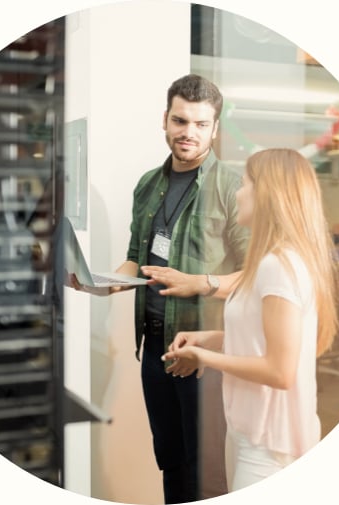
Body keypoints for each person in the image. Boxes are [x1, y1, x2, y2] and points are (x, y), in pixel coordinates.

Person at [69, 74, 248, 503]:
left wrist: (201, 284)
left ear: (215, 129)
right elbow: (137, 257)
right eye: (181, 120)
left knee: (205, 470)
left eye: (201, 124)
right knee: (169, 458)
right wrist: (104, 284)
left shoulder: (232, 186)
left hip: (204, 348)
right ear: (165, 120)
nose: (189, 132)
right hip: (154, 345)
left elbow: (253, 271)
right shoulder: (148, 184)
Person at [154, 148, 339, 491]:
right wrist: (210, 338)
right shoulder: (271, 262)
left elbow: (280, 371)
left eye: (244, 185)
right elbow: (261, 337)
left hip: (270, 446)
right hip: (249, 432)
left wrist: (204, 358)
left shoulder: (279, 266)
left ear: (267, 194)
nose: (238, 193)